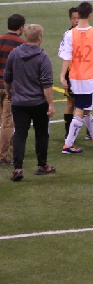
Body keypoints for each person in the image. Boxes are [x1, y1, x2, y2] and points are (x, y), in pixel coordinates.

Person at [4, 24, 57, 181]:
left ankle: (17, 169)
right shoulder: (43, 57)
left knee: (20, 134)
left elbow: (7, 77)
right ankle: (42, 165)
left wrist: (9, 92)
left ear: (26, 37)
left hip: (19, 102)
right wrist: (51, 104)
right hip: (38, 103)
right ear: (40, 37)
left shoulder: (14, 54)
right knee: (41, 134)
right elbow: (46, 84)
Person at [59, 2, 93, 153]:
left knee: (86, 109)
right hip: (89, 78)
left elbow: (66, 56)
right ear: (90, 15)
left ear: (78, 15)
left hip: (74, 77)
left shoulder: (69, 34)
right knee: (80, 110)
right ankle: (68, 144)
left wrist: (62, 75)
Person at [0, 14, 27, 165]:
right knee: (8, 123)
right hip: (9, 88)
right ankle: (2, 156)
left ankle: (13, 149)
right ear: (21, 27)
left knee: (5, 122)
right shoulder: (22, 45)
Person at [61, 8, 80, 138]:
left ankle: (90, 132)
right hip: (72, 73)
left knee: (86, 104)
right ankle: (68, 132)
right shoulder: (68, 35)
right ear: (70, 19)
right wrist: (64, 75)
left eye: (78, 18)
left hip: (85, 73)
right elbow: (65, 55)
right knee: (70, 102)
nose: (76, 20)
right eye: (74, 18)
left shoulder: (88, 32)